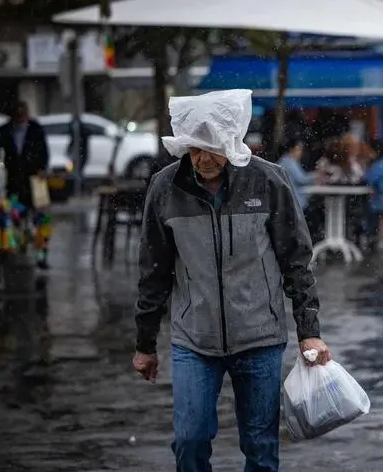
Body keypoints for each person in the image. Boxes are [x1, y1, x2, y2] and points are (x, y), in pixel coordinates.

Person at [132, 89, 330, 472]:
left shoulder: (269, 182)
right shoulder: (165, 188)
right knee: (189, 441)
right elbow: (153, 271)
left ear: (233, 142)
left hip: (260, 339)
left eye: (214, 148)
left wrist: (310, 330)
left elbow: (297, 262)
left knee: (260, 446)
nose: (204, 159)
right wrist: (145, 343)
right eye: (195, 149)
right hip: (194, 340)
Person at [0, 101, 51, 269]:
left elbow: (44, 151)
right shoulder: (6, 130)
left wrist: (42, 168)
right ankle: (16, 249)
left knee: (42, 219)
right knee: (15, 216)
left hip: (35, 180)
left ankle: (42, 255)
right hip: (15, 182)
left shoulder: (35, 129)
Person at [278, 136, 318, 211]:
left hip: (287, 200)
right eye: (298, 149)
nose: (300, 153)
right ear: (291, 149)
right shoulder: (290, 162)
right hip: (294, 201)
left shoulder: (285, 160)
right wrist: (316, 175)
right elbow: (302, 179)